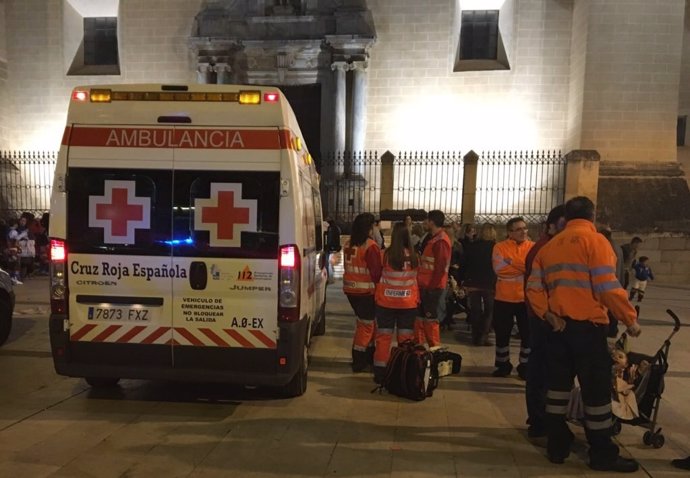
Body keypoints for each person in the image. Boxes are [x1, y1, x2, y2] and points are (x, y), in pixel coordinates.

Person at [526, 196, 642, 473]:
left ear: (567, 217)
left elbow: (533, 288)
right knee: (596, 395)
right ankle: (602, 453)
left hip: (558, 329)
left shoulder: (549, 247)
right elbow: (607, 287)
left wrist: (548, 315)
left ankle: (557, 446)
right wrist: (630, 319)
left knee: (557, 390)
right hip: (588, 330)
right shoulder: (597, 242)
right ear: (592, 216)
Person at [523, 205, 566, 439]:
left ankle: (541, 419)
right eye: (563, 225)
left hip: (547, 317)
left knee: (544, 370)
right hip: (543, 318)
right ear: (551, 226)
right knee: (541, 371)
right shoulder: (544, 249)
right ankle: (540, 420)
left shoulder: (553, 247)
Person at [372, 221, 419, 384]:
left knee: (383, 337)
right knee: (405, 339)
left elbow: (377, 274)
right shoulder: (415, 257)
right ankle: (402, 371)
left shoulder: (384, 255)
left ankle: (380, 372)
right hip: (408, 303)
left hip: (386, 303)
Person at [491, 217, 535, 378]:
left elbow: (533, 268)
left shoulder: (532, 247)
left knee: (527, 334)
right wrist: (523, 266)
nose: (523, 231)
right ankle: (503, 364)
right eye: (518, 229)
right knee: (502, 334)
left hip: (526, 298)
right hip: (504, 298)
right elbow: (499, 269)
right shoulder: (499, 247)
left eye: (525, 228)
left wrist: (511, 262)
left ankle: (525, 365)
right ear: (510, 232)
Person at [342, 213, 382, 372]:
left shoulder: (348, 243)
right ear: (369, 227)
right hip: (365, 291)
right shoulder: (370, 246)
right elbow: (376, 272)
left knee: (368, 323)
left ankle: (369, 355)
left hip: (351, 290)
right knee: (366, 325)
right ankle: (359, 359)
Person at [415, 210, 451, 349]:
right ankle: (419, 346)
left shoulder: (440, 241)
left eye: (426, 221)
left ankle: (434, 348)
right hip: (425, 284)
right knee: (420, 318)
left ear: (431, 222)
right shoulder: (432, 238)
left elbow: (440, 267)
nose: (424, 223)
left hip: (432, 287)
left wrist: (432, 286)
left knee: (430, 319)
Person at [462, 223, 497, 346]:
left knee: (475, 310)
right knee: (489, 311)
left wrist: (463, 280)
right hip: (489, 283)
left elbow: (464, 263)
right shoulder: (496, 247)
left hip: (473, 282)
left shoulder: (472, 246)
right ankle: (484, 336)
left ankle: (475, 336)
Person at [598, 224, 625, 338]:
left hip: (609, 287)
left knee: (610, 316)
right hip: (616, 284)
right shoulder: (616, 247)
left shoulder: (607, 247)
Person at [324, 218, 342, 284]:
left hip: (330, 248)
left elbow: (330, 240)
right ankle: (331, 278)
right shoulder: (337, 228)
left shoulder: (331, 229)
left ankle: (330, 279)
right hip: (335, 248)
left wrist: (328, 247)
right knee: (330, 264)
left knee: (328, 264)